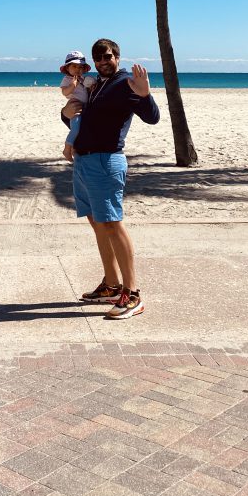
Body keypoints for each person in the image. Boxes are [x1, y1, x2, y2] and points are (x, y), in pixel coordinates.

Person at [73, 38, 160, 319]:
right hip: (84, 160)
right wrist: (65, 115)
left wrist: (146, 94)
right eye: (97, 57)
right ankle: (111, 284)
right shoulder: (97, 83)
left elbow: (152, 117)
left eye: (107, 56)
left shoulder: (125, 83)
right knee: (97, 222)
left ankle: (132, 294)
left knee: (112, 223)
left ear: (118, 56)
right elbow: (87, 119)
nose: (102, 61)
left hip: (106, 161)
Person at [59, 50, 96, 162]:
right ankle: (67, 148)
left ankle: (74, 148)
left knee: (80, 131)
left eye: (80, 67)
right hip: (75, 109)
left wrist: (91, 87)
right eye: (74, 66)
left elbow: (88, 91)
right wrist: (72, 86)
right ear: (67, 68)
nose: (78, 69)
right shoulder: (67, 79)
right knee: (75, 129)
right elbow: (65, 92)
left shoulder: (83, 79)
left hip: (84, 108)